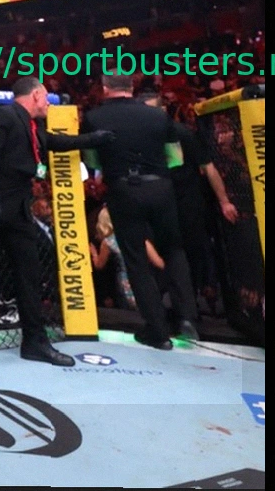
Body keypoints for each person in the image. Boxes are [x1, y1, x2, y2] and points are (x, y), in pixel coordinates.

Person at [0, 78, 114, 381]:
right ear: (36, 95)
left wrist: (92, 139)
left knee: (29, 271)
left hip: (17, 208)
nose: (48, 103)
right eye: (46, 98)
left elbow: (54, 142)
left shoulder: (31, 126)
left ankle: (35, 341)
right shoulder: (2, 115)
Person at [82, 75, 200, 348]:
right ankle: (187, 320)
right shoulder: (157, 116)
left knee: (135, 258)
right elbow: (175, 158)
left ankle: (157, 330)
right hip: (160, 187)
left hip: (123, 189)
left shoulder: (94, 117)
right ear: (131, 88)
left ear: (105, 89)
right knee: (173, 250)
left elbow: (93, 161)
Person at [141, 93, 238, 316]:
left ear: (162, 110)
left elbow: (209, 167)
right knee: (160, 253)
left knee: (190, 252)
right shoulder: (144, 136)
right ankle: (168, 304)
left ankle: (189, 305)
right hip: (159, 202)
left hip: (187, 203)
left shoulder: (183, 133)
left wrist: (224, 202)